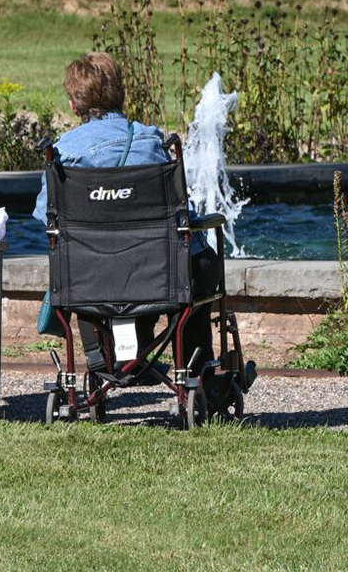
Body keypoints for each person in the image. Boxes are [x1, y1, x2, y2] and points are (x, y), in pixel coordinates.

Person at [37, 53, 224, 385]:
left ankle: (102, 358)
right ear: (122, 94)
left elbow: (46, 218)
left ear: (73, 105)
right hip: (158, 274)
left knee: (77, 266)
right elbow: (180, 213)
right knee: (199, 264)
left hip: (90, 278)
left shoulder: (63, 154)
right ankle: (195, 368)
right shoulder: (150, 141)